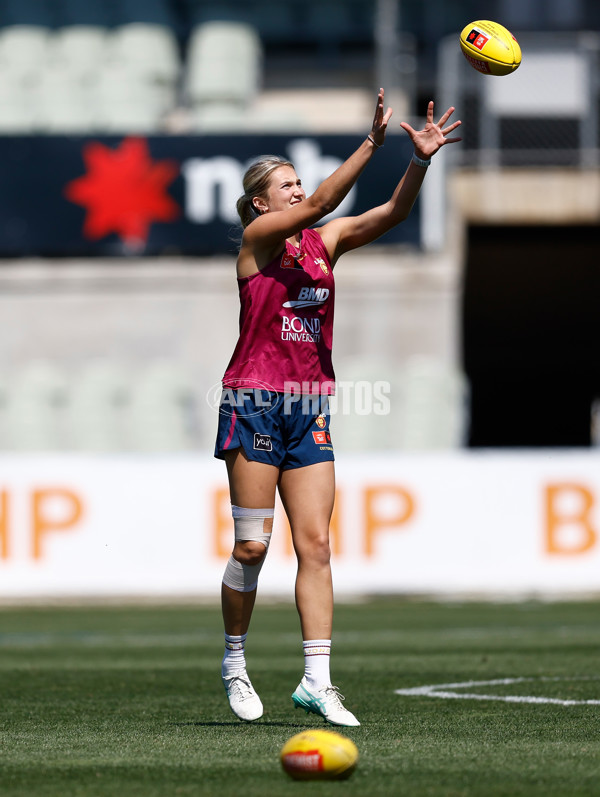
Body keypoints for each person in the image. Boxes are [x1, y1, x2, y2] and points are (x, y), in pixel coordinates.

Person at [214, 89, 461, 726]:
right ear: (260, 203)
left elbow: (390, 215)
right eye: (286, 185)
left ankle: (317, 681)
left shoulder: (325, 245)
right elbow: (326, 201)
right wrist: (372, 143)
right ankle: (235, 662)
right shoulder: (257, 242)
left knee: (317, 545)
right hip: (254, 400)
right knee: (250, 548)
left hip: (309, 405)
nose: (299, 191)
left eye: (299, 182)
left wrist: (418, 162)